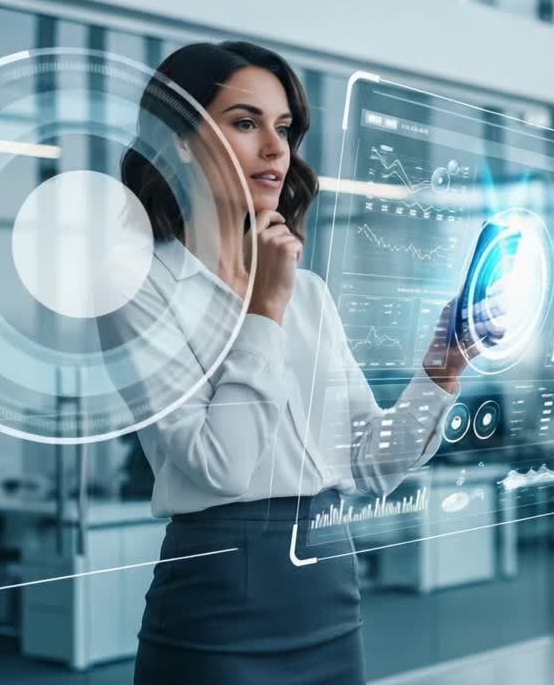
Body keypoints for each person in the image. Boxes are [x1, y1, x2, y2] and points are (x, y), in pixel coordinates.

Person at [105, 41, 503, 684]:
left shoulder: (307, 292)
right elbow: (221, 467)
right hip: (220, 598)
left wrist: (442, 365)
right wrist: (262, 310)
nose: (275, 148)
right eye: (245, 122)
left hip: (328, 590)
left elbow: (369, 463)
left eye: (283, 128)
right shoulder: (142, 286)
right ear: (179, 138)